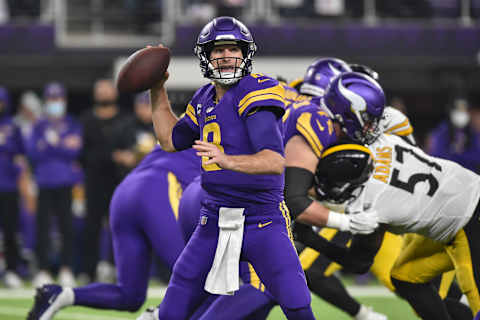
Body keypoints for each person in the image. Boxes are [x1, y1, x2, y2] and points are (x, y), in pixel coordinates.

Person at [140, 16, 317, 319]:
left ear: (245, 53)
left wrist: (227, 160)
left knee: (296, 303)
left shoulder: (255, 90)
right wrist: (157, 88)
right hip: (214, 219)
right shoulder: (204, 97)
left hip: (262, 219)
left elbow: (274, 162)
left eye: (232, 49)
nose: (225, 56)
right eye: (217, 50)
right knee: (174, 305)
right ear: (205, 56)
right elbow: (170, 140)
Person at [302, 72, 480, 320]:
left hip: (468, 219)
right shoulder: (385, 134)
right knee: (405, 277)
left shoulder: (367, 203)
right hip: (458, 197)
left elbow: (358, 263)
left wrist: (310, 238)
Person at [26, 146, 201, 320]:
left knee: (130, 296)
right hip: (161, 187)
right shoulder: (224, 125)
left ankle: (60, 296)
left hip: (127, 188)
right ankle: (156, 316)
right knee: (198, 279)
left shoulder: (193, 121)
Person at [27, 82, 82, 288]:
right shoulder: (39, 125)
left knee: (66, 227)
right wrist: (61, 144)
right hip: (44, 180)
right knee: (42, 227)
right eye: (52, 99)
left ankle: (67, 269)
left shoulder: (72, 123)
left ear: (64, 100)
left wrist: (51, 144)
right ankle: (43, 270)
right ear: (46, 101)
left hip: (65, 181)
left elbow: (75, 151)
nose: (55, 102)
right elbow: (33, 152)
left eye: (58, 98)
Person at [80, 79, 125, 282]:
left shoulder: (125, 119)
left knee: (120, 226)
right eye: (101, 91)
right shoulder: (86, 119)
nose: (104, 94)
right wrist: (112, 155)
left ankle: (118, 268)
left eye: (108, 90)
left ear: (115, 94)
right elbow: (83, 153)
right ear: (95, 95)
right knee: (92, 226)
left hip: (120, 181)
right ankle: (87, 270)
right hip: (94, 181)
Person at [0, 86, 26, 288]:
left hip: (8, 186)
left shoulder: (12, 126)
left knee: (10, 230)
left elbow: (21, 157)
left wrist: (23, 184)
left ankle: (11, 270)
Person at [427, 97, 480, 174]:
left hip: (468, 176)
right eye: (458, 111)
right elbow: (436, 156)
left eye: (464, 111)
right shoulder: (442, 131)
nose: (461, 115)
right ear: (451, 112)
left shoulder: (472, 132)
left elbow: (477, 156)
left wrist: (456, 154)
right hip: (446, 176)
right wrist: (457, 154)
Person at [112, 91, 157, 178]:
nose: (142, 110)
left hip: (157, 174)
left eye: (146, 106)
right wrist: (123, 156)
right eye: (139, 106)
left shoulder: (164, 126)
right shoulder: (125, 126)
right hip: (132, 174)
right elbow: (112, 152)